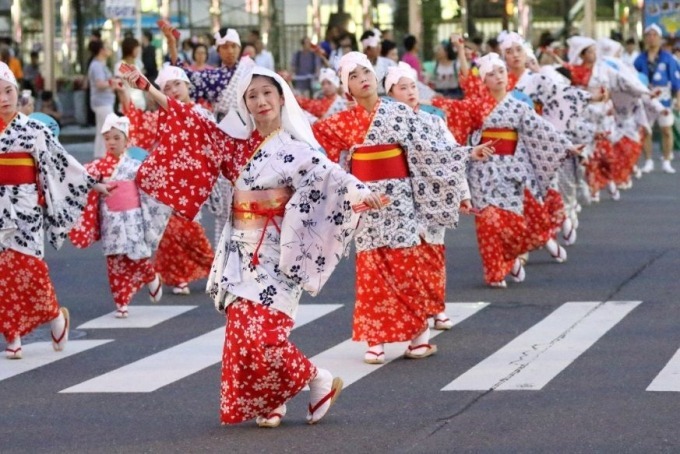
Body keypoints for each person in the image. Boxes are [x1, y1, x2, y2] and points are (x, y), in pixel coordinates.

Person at [121, 63, 384, 427]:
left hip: (279, 250)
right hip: (240, 251)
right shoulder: (234, 146)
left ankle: (315, 378)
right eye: (252, 95)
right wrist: (147, 87)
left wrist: (364, 194)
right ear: (244, 104)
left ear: (281, 98)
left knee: (264, 335)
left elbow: (334, 177)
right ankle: (271, 402)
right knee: (241, 337)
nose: (261, 101)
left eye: (267, 93)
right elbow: (192, 125)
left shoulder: (298, 149)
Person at [312, 52, 476, 363]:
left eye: (366, 72)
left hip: (401, 198)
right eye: (354, 76)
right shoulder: (340, 122)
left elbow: (433, 146)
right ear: (347, 87)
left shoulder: (400, 113)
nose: (363, 79)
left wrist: (467, 153)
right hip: (366, 200)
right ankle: (376, 339)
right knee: (372, 269)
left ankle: (419, 337)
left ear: (375, 77)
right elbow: (318, 153)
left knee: (407, 267)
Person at [0, 62, 111, 359]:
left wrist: (93, 183)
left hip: (25, 206)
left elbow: (63, 162)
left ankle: (54, 315)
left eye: (8, 91)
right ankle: (13, 336)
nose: (3, 98)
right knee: (2, 273)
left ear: (18, 93)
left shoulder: (33, 129)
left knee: (29, 268)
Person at [384, 61, 491, 329]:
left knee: (432, 254)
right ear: (390, 94)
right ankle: (418, 311)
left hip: (433, 194)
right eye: (402, 88)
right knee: (408, 257)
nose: (410, 92)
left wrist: (462, 194)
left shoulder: (434, 121)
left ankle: (437, 307)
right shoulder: (383, 123)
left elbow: (452, 155)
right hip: (401, 196)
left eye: (412, 86)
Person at [115, 64, 216, 296]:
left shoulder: (202, 113)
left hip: (192, 178)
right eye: (167, 87)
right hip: (167, 179)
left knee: (190, 230)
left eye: (177, 84)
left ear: (187, 85)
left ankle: (215, 268)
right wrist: (124, 93)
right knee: (171, 230)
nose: (174, 90)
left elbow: (214, 142)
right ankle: (180, 277)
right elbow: (137, 124)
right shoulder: (160, 116)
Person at [68, 113, 170, 318]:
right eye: (107, 138)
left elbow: (153, 185)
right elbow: (80, 178)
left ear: (126, 140)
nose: (111, 142)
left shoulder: (135, 166)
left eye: (116, 138)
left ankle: (150, 277)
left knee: (137, 257)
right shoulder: (98, 167)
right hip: (111, 220)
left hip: (133, 218)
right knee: (114, 260)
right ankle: (121, 301)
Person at [634, 24, 680, 174]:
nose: (652, 38)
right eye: (649, 35)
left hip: (664, 97)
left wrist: (678, 99)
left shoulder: (668, 58)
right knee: (647, 130)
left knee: (666, 129)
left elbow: (676, 81)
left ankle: (666, 160)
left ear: (660, 38)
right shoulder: (639, 59)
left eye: (655, 35)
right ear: (645, 38)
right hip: (646, 97)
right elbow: (633, 80)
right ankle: (648, 161)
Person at [88, 40, 115, 158]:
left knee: (102, 129)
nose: (108, 50)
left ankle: (100, 155)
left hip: (104, 101)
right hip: (102, 102)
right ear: (101, 50)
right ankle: (103, 155)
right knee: (106, 129)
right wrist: (112, 82)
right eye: (106, 47)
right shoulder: (97, 65)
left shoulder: (100, 64)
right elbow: (99, 84)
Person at [114, 37, 146, 110]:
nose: (138, 51)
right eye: (136, 48)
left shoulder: (138, 63)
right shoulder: (120, 65)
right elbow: (118, 87)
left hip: (140, 102)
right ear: (130, 48)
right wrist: (124, 103)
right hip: (127, 104)